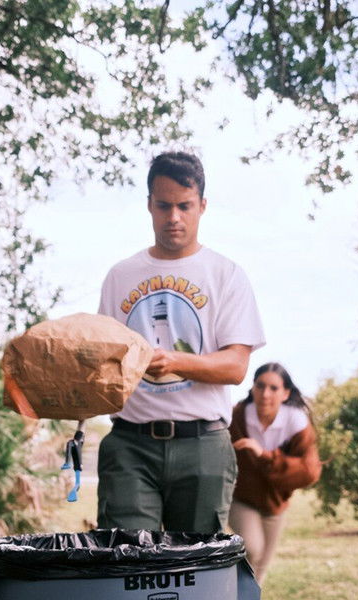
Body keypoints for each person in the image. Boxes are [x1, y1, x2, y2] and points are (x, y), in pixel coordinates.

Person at [96, 151, 265, 533]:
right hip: (130, 446)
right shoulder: (120, 276)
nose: (174, 217)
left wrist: (173, 363)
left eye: (184, 206)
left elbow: (236, 367)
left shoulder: (226, 275)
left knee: (193, 572)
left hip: (203, 445)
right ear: (149, 206)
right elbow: (105, 363)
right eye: (164, 206)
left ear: (202, 206)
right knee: (127, 563)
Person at [228, 363, 321, 583]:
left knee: (260, 568)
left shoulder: (296, 422)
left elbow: (309, 472)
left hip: (275, 504)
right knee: (251, 548)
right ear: (252, 388)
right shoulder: (238, 416)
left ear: (286, 393)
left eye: (273, 388)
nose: (265, 394)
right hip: (241, 498)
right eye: (259, 386)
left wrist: (264, 456)